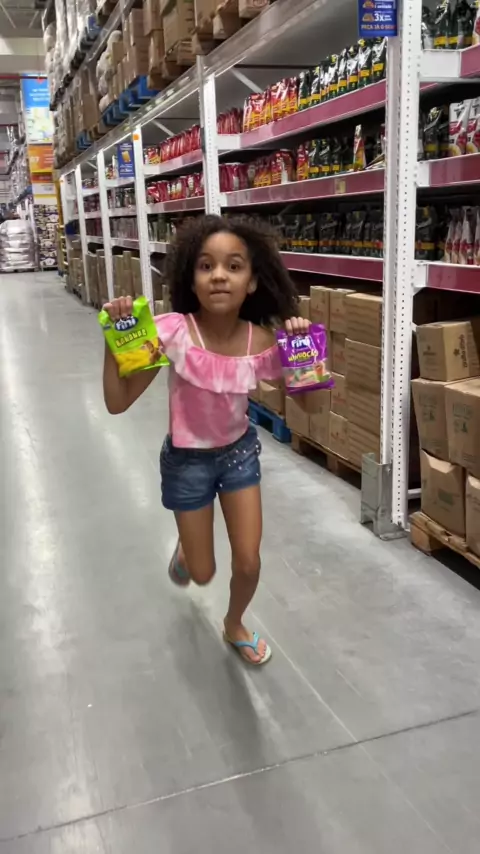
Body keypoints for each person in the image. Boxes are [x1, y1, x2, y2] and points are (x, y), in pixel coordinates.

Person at [102, 215, 310, 665]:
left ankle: (234, 623)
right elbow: (118, 403)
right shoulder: (172, 332)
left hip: (239, 456)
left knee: (249, 561)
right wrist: (113, 343)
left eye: (234, 266)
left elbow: (310, 407)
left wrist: (304, 354)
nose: (219, 275)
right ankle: (187, 551)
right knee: (201, 572)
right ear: (190, 279)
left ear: (252, 282)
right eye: (205, 265)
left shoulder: (263, 341)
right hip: (186, 464)